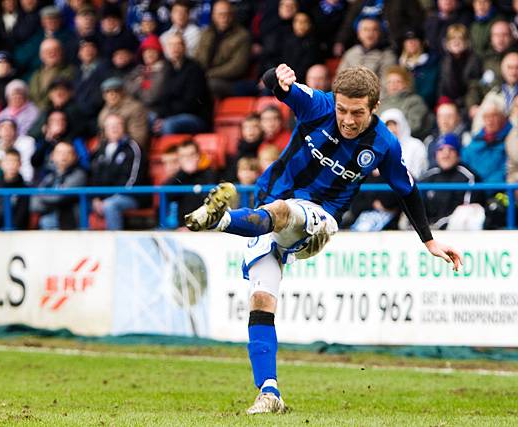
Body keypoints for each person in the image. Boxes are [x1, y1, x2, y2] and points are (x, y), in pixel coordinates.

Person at [184, 63, 463, 414]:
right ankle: (269, 393)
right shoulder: (318, 105)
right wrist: (279, 75)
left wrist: (429, 241)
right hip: (266, 207)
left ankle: (219, 218)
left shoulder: (384, 144)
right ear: (335, 102)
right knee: (261, 300)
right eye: (342, 110)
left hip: (319, 219)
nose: (347, 120)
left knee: (285, 211)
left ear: (374, 108)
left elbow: (407, 189)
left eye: (357, 113)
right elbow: (274, 84)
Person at [89, 113, 147, 230]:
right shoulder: (100, 149)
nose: (114, 128)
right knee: (81, 204)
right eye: (110, 126)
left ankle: (114, 242)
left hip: (130, 196)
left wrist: (109, 198)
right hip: (104, 197)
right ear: (104, 129)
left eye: (117, 125)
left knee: (110, 206)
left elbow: (132, 179)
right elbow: (94, 175)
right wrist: (96, 198)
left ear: (124, 127)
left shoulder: (133, 147)